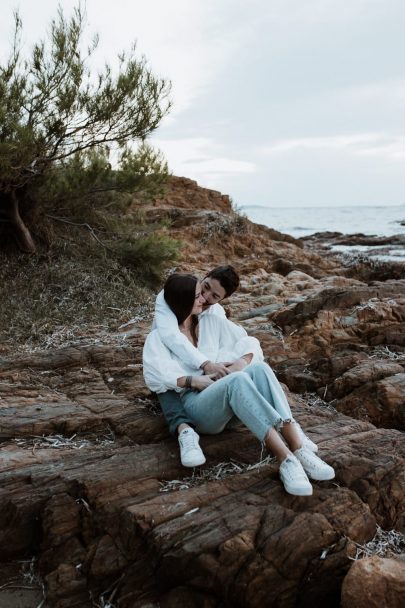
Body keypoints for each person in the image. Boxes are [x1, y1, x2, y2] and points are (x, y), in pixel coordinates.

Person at [143, 274, 335, 496]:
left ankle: (299, 447)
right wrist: (194, 380)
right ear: (184, 300)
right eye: (198, 295)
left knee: (259, 369)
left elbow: (249, 342)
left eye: (206, 295)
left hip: (225, 403)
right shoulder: (159, 337)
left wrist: (239, 362)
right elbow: (156, 377)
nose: (203, 300)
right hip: (195, 408)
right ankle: (286, 459)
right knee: (238, 380)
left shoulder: (210, 322)